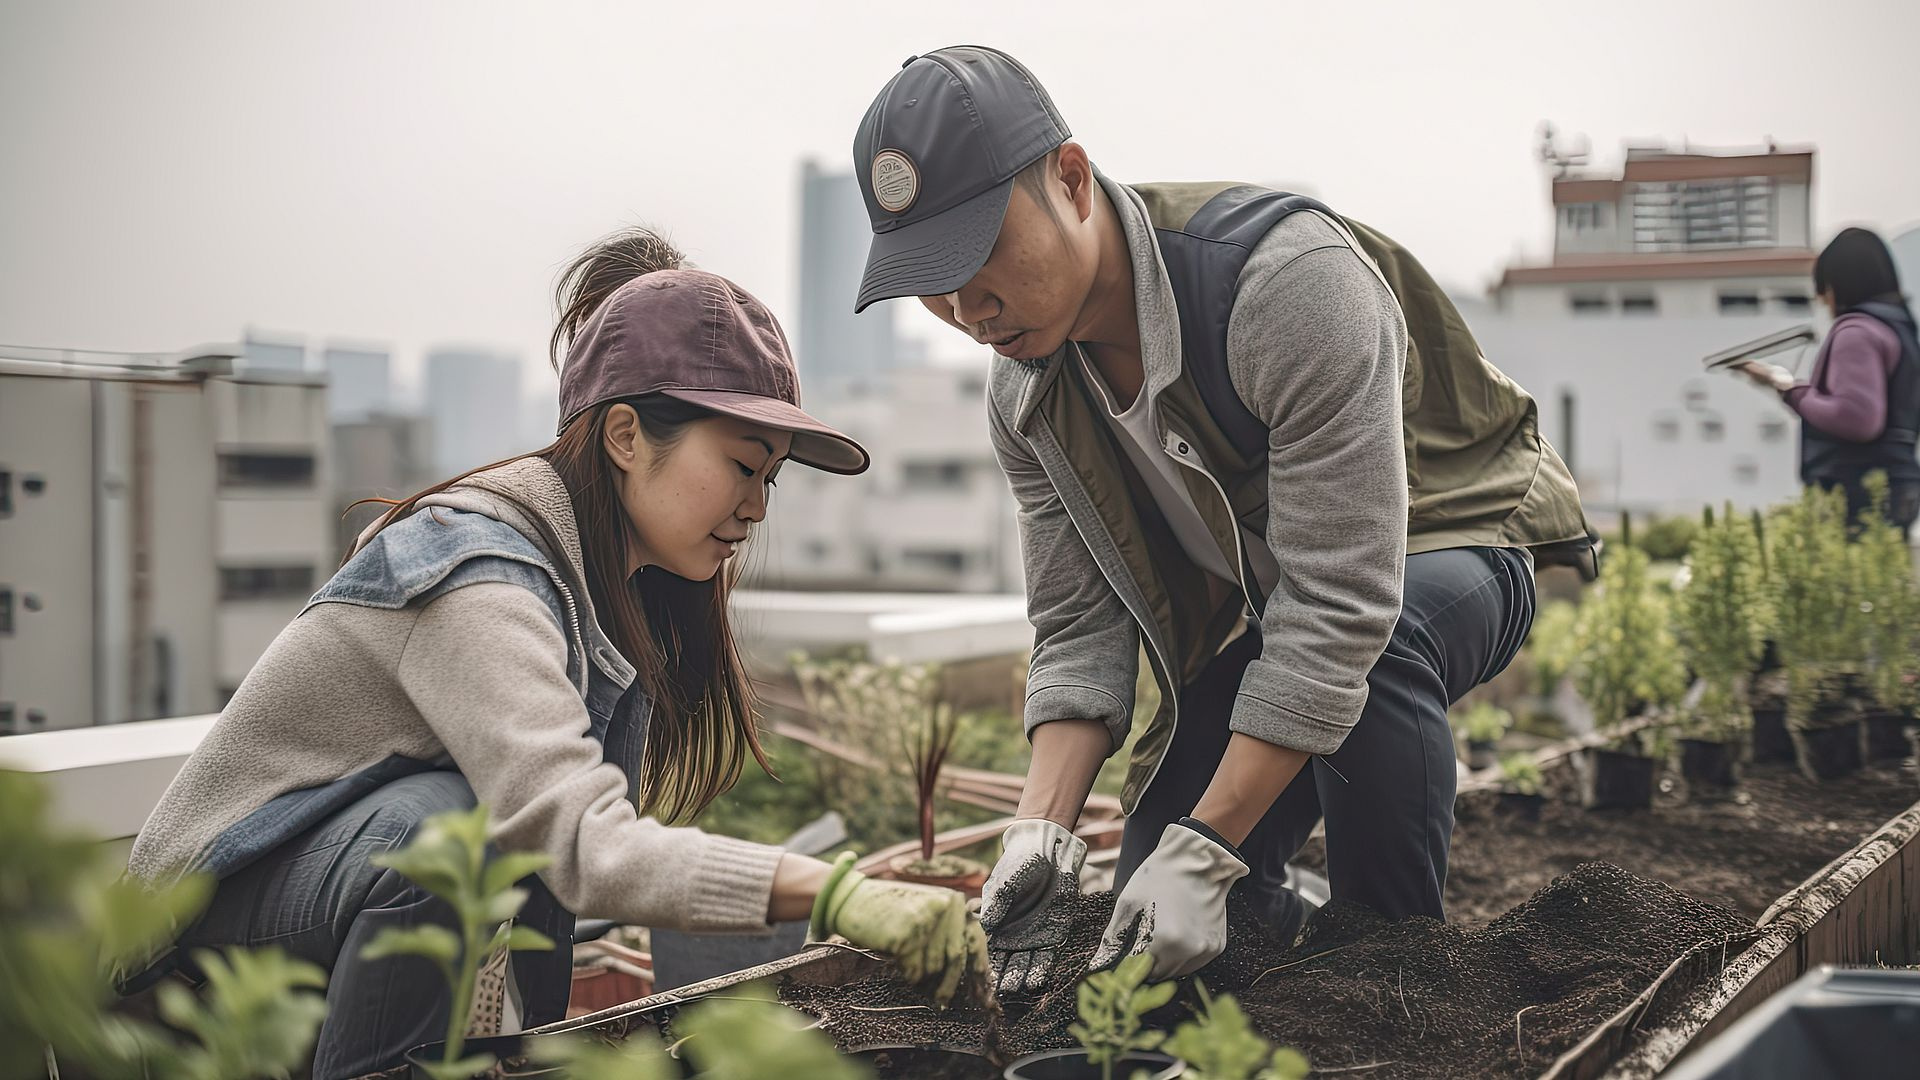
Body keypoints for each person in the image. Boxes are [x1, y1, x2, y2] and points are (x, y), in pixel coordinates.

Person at [122, 229, 985, 1078]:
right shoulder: (473, 570)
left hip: (307, 924)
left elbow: (556, 863)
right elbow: (577, 841)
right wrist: (841, 895)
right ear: (623, 437)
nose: (756, 506)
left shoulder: (606, 593)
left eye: (770, 478)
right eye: (739, 466)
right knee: (445, 831)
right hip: (180, 960)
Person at [850, 47, 1594, 990]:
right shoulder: (1027, 394)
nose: (965, 308)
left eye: (978, 258)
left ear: (1072, 181)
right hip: (1292, 605)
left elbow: (1341, 609)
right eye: (929, 280)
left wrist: (1211, 847)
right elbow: (1081, 629)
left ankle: (1391, 977)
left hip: (1455, 542)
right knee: (1143, 930)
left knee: (1378, 661)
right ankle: (1273, 943)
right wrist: (1039, 830)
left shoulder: (1283, 285)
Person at [1736, 227, 1920, 536]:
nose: (1824, 302)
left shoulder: (1856, 333)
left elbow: (1858, 418)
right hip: (1899, 484)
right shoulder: (1901, 330)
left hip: (1856, 492)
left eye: (1825, 290)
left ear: (1838, 285)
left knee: (1844, 582)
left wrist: (1788, 388)